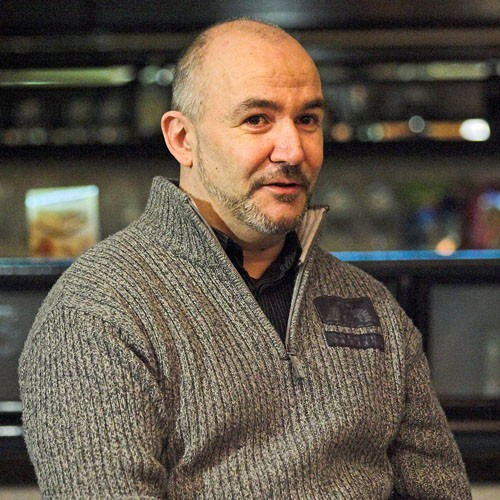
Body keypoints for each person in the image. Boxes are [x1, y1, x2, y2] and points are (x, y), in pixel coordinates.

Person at [19, 18, 471, 499]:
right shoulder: (97, 312)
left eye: (307, 120)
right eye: (257, 119)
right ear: (182, 139)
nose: (292, 150)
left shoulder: (372, 306)